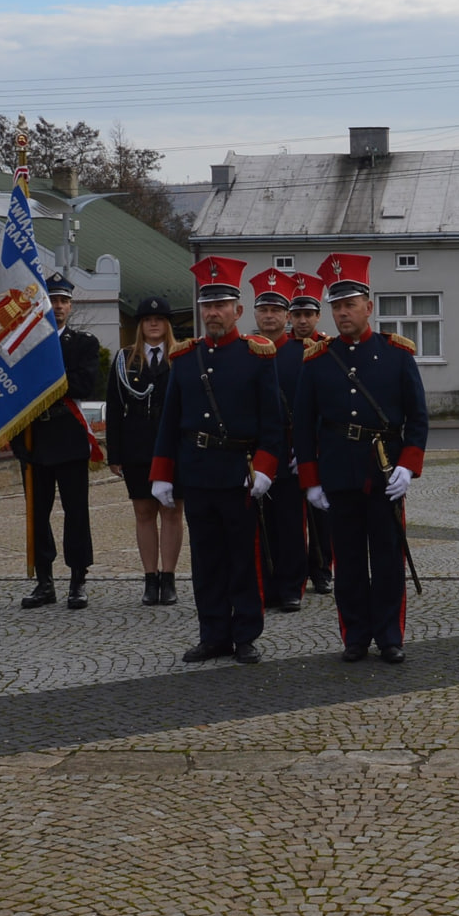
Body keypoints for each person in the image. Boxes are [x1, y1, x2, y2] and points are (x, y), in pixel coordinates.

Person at [293, 253, 429, 664]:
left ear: (369, 306)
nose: (342, 313)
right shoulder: (317, 359)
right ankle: (355, 636)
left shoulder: (397, 354)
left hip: (384, 471)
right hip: (338, 471)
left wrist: (408, 465)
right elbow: (303, 425)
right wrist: (311, 480)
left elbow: (418, 417)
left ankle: (390, 636)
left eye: (350, 304)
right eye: (336, 306)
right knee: (348, 560)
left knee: (387, 557)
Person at [150, 256, 282, 665]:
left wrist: (265, 467)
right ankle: (212, 634)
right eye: (207, 305)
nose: (213, 312)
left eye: (221, 304)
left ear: (238, 310)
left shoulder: (257, 355)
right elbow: (170, 420)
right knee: (205, 559)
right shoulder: (185, 358)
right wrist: (162, 473)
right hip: (197, 470)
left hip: (239, 472)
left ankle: (245, 634)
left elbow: (273, 422)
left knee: (243, 558)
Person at [12, 272, 100, 611]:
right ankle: (44, 580)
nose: (59, 307)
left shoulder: (83, 343)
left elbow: (84, 384)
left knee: (76, 512)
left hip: (69, 436)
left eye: (63, 301)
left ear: (71, 306)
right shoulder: (27, 344)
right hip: (35, 438)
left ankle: (78, 579)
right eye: (53, 301)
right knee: (38, 512)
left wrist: (48, 377)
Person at [106, 295, 184, 606]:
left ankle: (169, 577)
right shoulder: (125, 359)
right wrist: (114, 454)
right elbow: (114, 408)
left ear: (167, 324)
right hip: (136, 446)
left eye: (160, 319)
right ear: (140, 325)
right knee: (143, 512)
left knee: (172, 511)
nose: (154, 324)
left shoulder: (181, 357)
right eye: (148, 320)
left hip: (172, 447)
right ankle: (150, 579)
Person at [249, 267, 308, 613]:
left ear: (287, 316)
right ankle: (264, 584)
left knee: (289, 522)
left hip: (289, 450)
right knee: (258, 524)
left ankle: (290, 586)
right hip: (254, 452)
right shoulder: (246, 350)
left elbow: (313, 408)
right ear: (254, 313)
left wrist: (307, 450)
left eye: (276, 310)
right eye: (263, 310)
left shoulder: (303, 354)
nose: (269, 316)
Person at [288, 272, 333, 595]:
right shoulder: (276, 348)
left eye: (308, 314)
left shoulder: (327, 348)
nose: (303, 320)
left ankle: (322, 569)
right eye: (297, 314)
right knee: (289, 514)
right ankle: (294, 569)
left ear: (318, 316)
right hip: (285, 440)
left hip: (318, 440)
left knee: (320, 512)